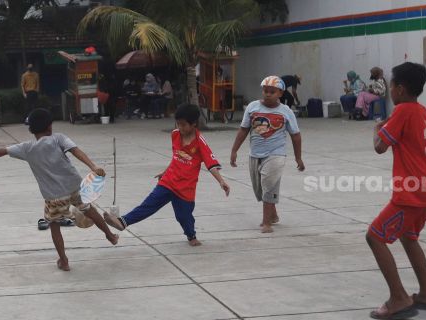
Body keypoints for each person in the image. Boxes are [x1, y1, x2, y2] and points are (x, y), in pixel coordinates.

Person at [0, 108, 118, 271]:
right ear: (50, 127)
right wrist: (93, 166)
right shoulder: (58, 139)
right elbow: (76, 151)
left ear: (31, 129)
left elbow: (1, 151)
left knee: (54, 225)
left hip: (54, 196)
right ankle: (110, 235)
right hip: (74, 186)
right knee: (90, 210)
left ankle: (64, 261)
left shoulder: (26, 148)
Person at [367, 62, 426, 320]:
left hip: (412, 191)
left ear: (399, 89)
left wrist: (377, 129)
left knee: (375, 236)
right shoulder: (421, 111)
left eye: (391, 85)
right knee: (408, 236)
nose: (390, 90)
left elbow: (380, 147)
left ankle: (398, 298)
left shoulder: (402, 111)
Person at [103, 104, 230, 246]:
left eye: (183, 125)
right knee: (148, 205)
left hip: (185, 188)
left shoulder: (200, 142)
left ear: (194, 124)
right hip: (168, 181)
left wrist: (221, 181)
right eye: (178, 124)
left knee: (183, 216)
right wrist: (165, 172)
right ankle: (122, 222)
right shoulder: (175, 134)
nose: (180, 128)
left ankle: (191, 235)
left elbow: (211, 164)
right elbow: (176, 157)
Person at [230, 76, 305, 234]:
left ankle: (266, 222)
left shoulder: (286, 111)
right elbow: (244, 129)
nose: (268, 94)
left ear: (280, 93)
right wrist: (234, 150)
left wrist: (298, 157)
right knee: (259, 189)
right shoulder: (252, 107)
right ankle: (273, 213)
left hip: (276, 154)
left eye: (272, 91)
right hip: (255, 154)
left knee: (268, 184)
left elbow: (296, 135)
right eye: (265, 91)